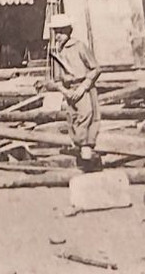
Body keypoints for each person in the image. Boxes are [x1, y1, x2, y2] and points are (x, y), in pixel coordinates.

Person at [44, 14, 103, 173]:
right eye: (55, 32)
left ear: (69, 31)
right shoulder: (57, 52)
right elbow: (54, 79)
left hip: (83, 88)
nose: (57, 36)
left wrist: (83, 87)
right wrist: (65, 91)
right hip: (69, 90)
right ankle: (82, 156)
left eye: (61, 32)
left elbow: (96, 68)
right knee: (72, 120)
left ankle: (87, 156)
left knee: (87, 118)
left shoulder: (79, 46)